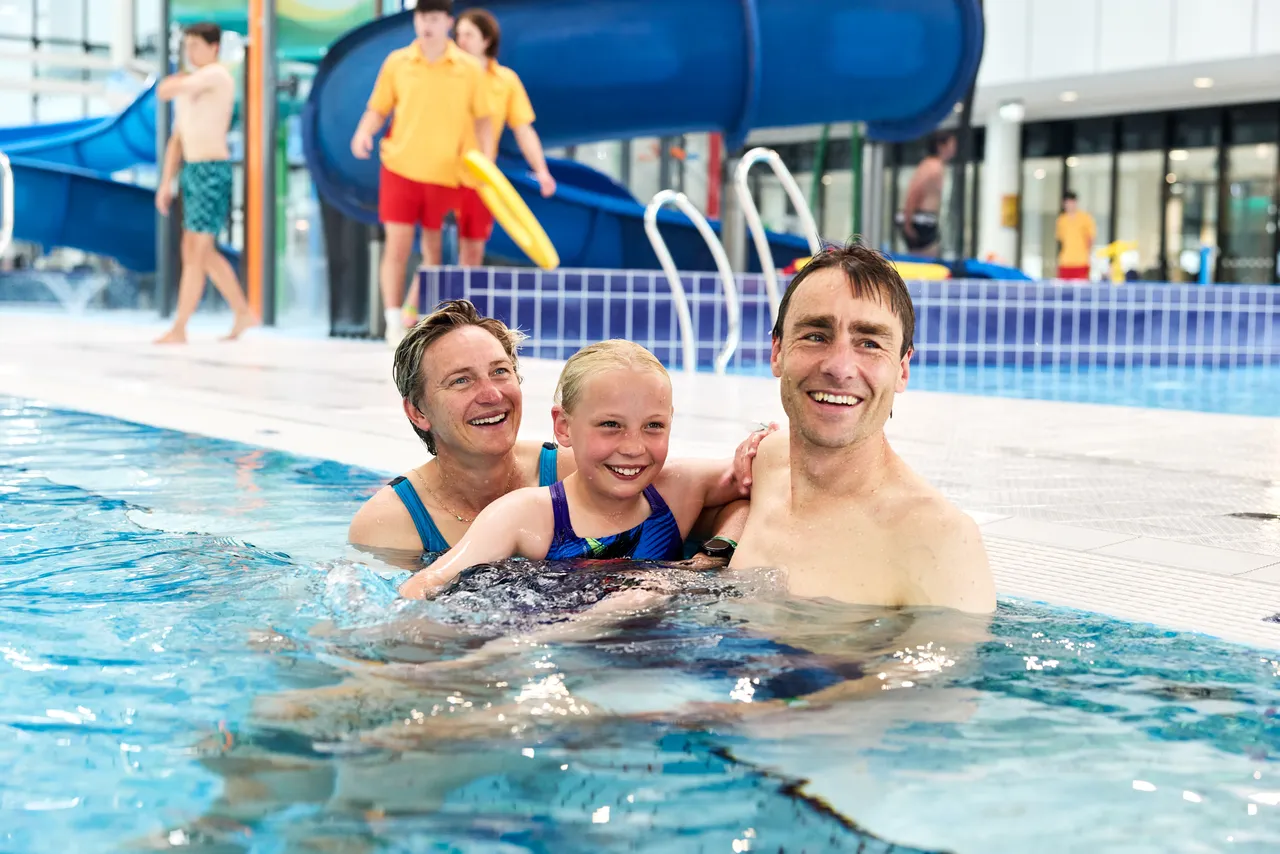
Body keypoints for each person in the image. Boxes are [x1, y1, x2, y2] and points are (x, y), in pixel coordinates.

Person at [348, 300, 761, 565]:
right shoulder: (391, 522)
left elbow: (738, 501)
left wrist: (715, 554)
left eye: (500, 372)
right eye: (461, 381)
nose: (491, 394)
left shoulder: (590, 468)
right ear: (418, 412)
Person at [725, 241, 996, 614]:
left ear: (902, 369)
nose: (840, 367)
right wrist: (720, 544)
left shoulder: (940, 541)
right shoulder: (768, 460)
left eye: (869, 343)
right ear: (777, 353)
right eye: (816, 335)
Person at [397, 339, 750, 599]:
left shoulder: (677, 490)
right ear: (564, 426)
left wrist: (713, 554)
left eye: (653, 426)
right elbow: (426, 584)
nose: (633, 447)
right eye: (610, 424)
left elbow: (759, 484)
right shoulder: (526, 515)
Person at [349, 0, 495, 347]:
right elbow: (378, 107)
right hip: (400, 169)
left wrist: (486, 160)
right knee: (397, 245)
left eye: (433, 17)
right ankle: (391, 321)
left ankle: (429, 323)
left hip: (447, 174)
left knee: (433, 253)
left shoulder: (468, 68)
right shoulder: (398, 62)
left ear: (447, 22)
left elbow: (484, 119)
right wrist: (363, 131)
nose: (426, 24)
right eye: (420, 17)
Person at [153, 22, 257, 345]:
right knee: (196, 250)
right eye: (187, 46)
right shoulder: (192, 87)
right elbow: (177, 140)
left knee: (198, 250)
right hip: (193, 172)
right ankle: (242, 311)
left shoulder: (217, 76)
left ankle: (181, 327)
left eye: (196, 45)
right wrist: (165, 183)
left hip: (213, 171)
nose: (190, 52)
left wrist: (179, 81)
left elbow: (164, 89)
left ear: (213, 48)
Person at [453, 8, 556, 266]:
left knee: (472, 252)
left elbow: (523, 129)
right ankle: (411, 308)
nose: (460, 41)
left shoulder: (505, 81)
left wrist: (541, 170)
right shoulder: (445, 74)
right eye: (458, 34)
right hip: (440, 173)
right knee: (431, 248)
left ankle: (461, 307)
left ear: (486, 40)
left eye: (468, 34)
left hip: (478, 177)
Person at [896, 130, 956, 257]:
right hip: (919, 219)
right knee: (926, 265)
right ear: (941, 146)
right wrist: (908, 223)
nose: (954, 149)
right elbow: (913, 193)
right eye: (952, 144)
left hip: (921, 219)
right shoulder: (932, 167)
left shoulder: (935, 166)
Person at [1055, 191, 1096, 281]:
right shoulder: (1061, 220)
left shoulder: (1085, 218)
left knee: (1080, 291)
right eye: (1068, 202)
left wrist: (1089, 256)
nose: (1070, 205)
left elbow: (1090, 238)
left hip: (1081, 262)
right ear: (1064, 204)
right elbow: (1061, 240)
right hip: (1065, 262)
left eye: (1072, 202)